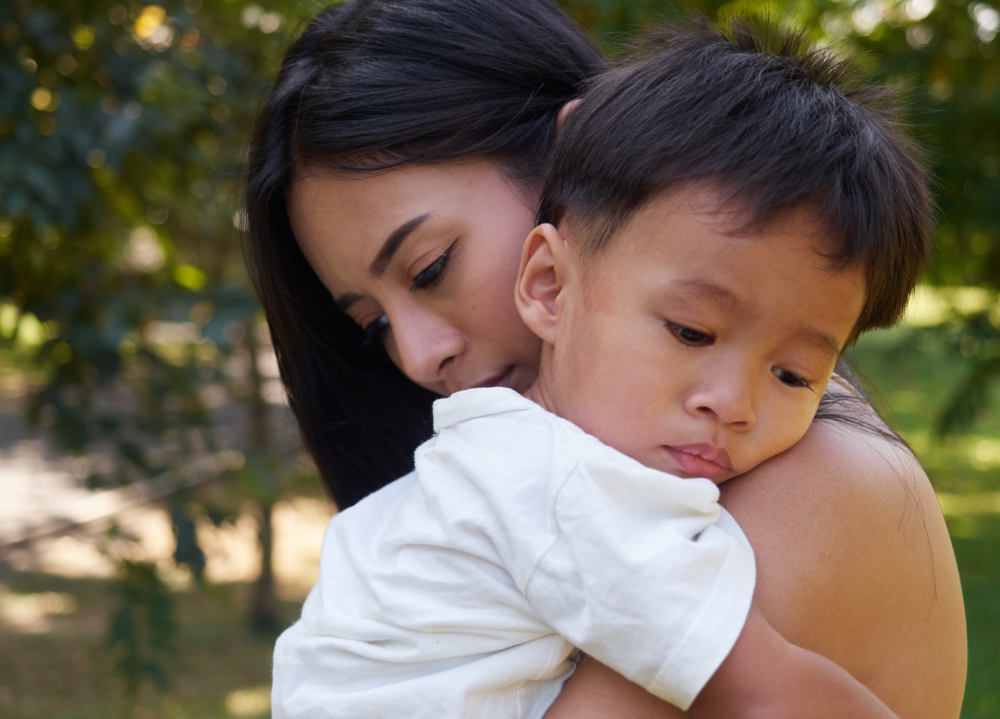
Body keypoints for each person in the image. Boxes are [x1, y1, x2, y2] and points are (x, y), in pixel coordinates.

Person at [245, 1, 967, 717]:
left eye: (431, 267)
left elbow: (765, 690)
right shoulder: (538, 478)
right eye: (374, 326)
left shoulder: (808, 484)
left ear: (571, 158)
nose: (420, 357)